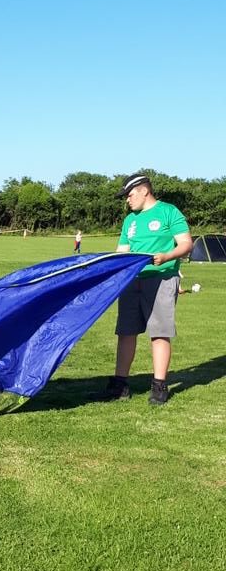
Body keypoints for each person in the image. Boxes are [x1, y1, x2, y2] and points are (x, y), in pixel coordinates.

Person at [98, 173, 192, 405]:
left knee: (159, 332)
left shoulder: (169, 211)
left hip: (161, 279)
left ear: (144, 191)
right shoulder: (130, 220)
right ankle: (119, 385)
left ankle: (159, 386)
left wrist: (167, 256)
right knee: (126, 331)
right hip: (132, 281)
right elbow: (122, 252)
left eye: (130, 195)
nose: (127, 200)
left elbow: (186, 243)